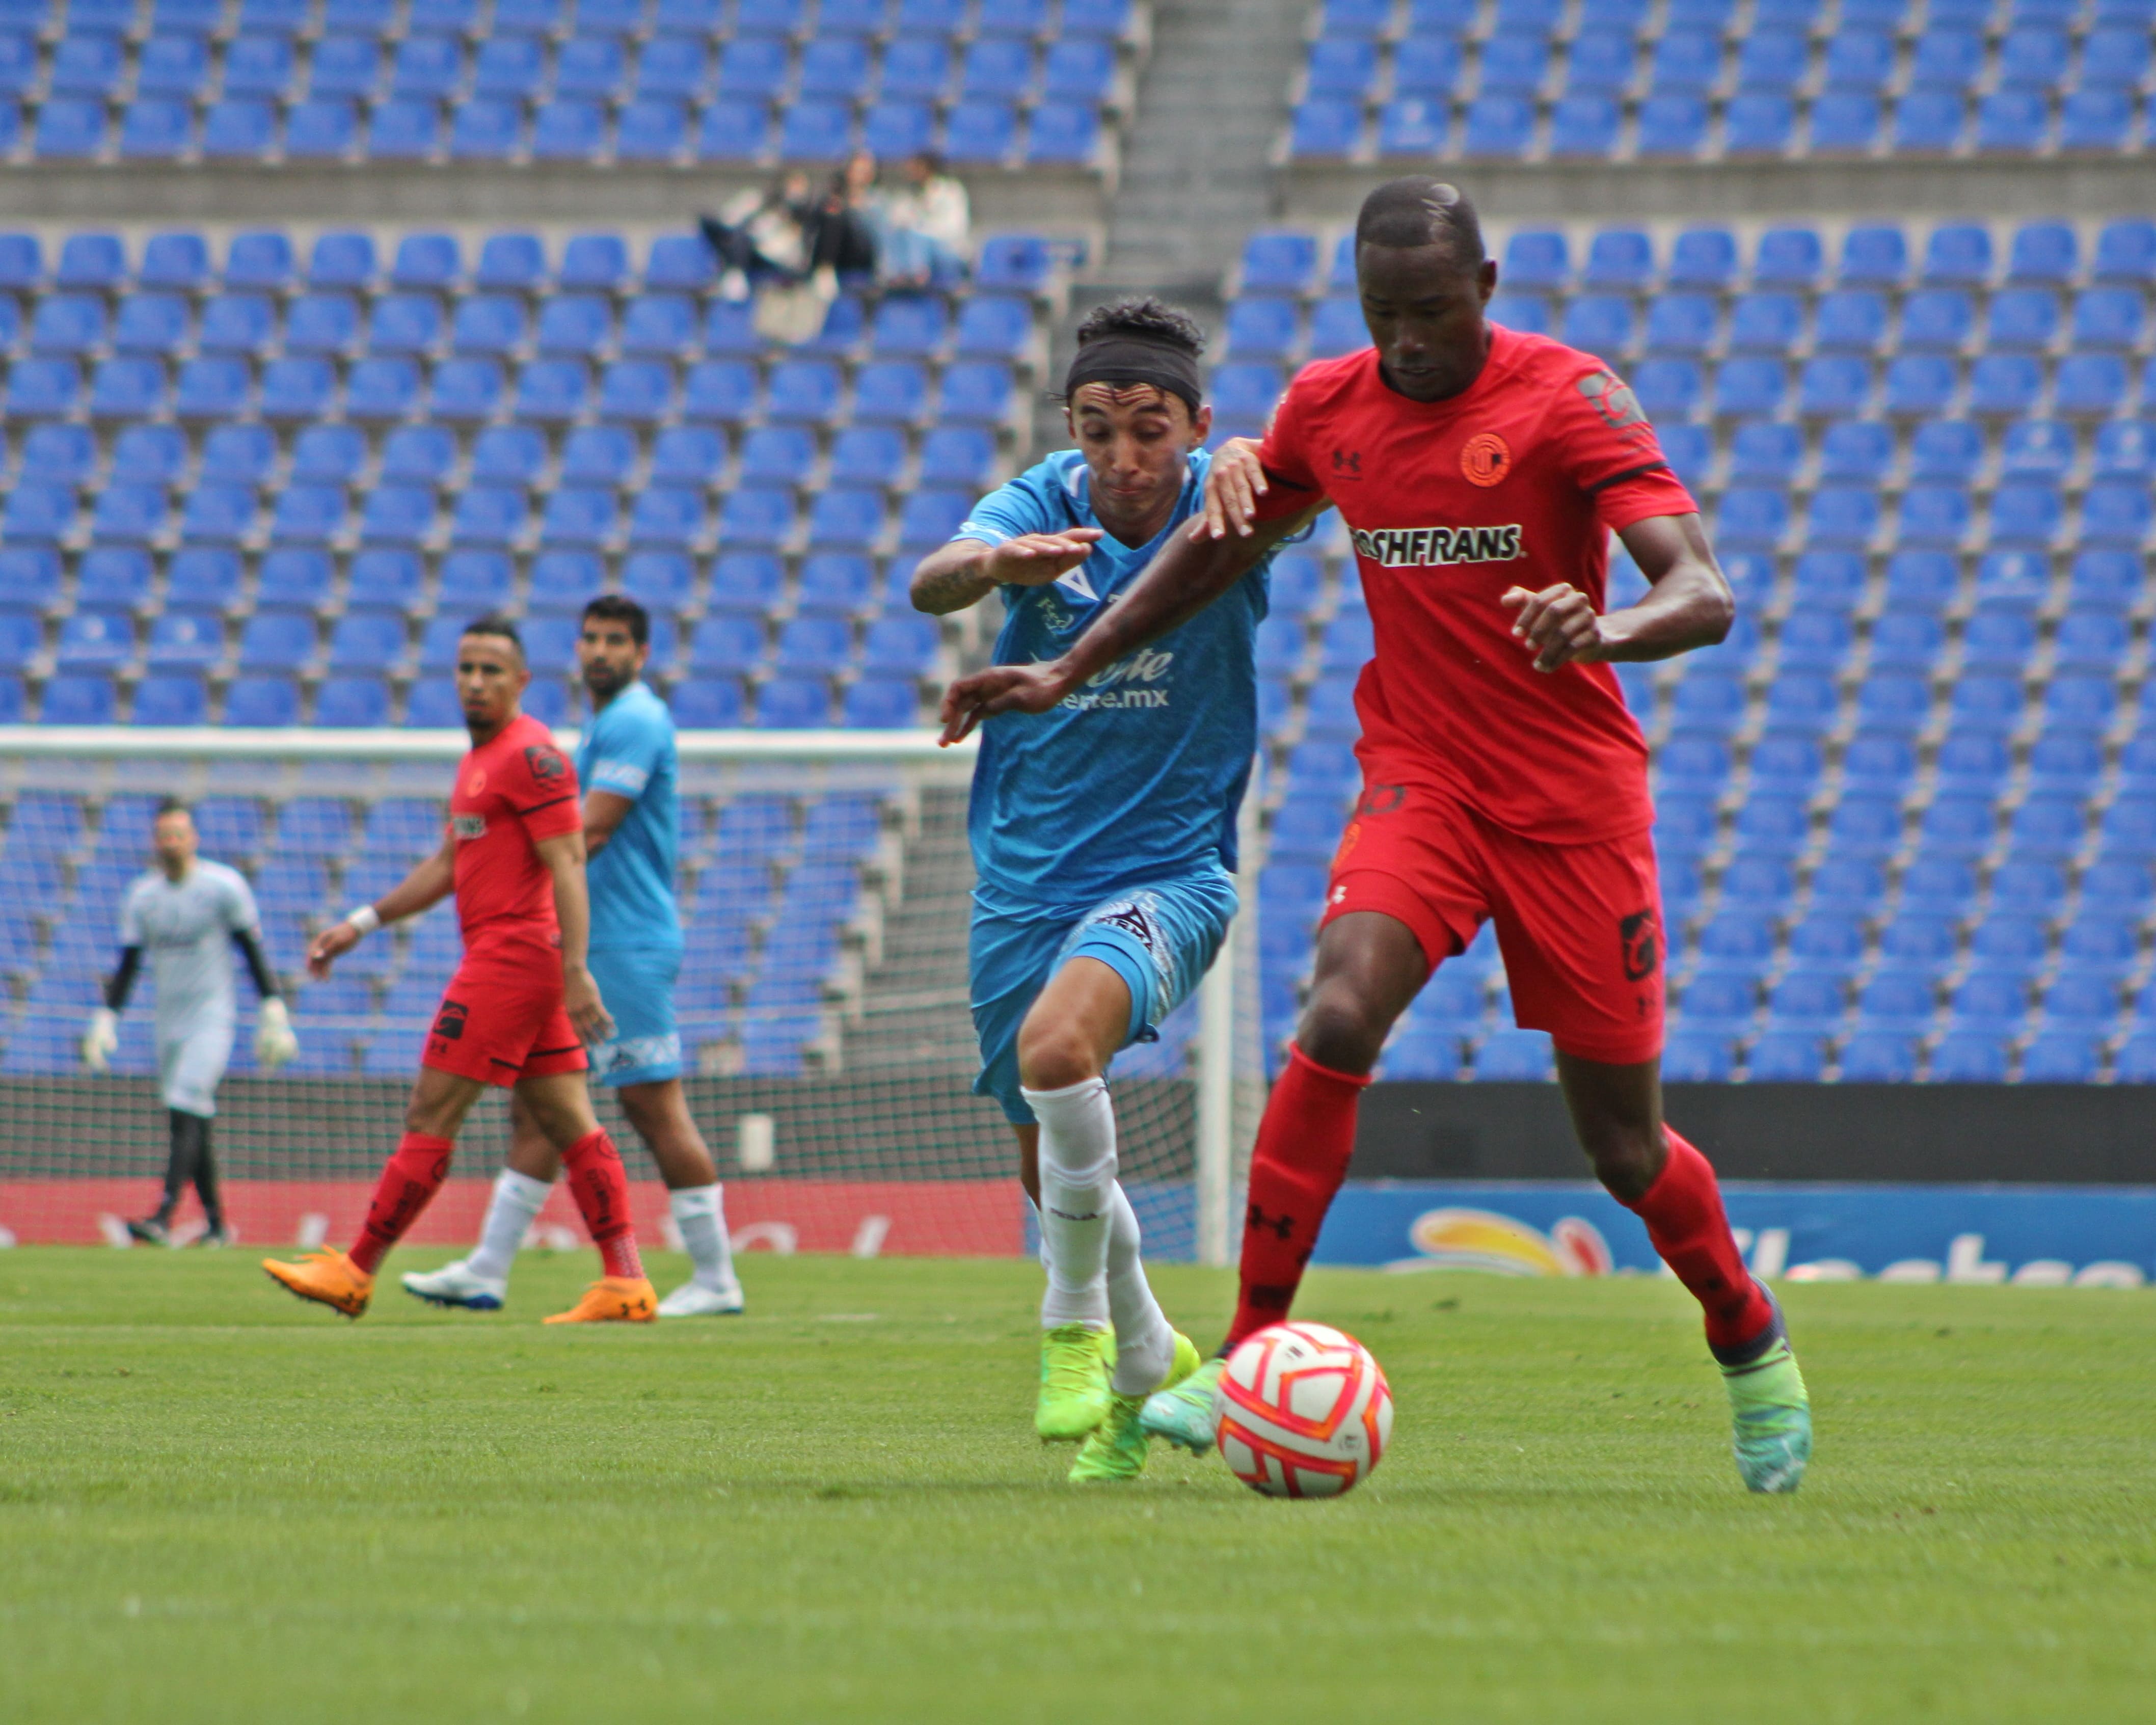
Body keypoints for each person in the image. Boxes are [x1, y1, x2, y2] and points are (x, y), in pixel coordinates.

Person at [940, 179, 1813, 1495]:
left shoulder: (1568, 398)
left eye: (1431, 311)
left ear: (1489, 288)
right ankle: (1244, 1356)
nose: (1405, 339)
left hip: (1574, 804)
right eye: (1381, 312)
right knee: (1340, 1010)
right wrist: (1070, 667)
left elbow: (1701, 589)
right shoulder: (1329, 407)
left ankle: (1748, 1334)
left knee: (1623, 1148)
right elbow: (1213, 555)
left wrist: (1606, 628)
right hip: (1423, 776)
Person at [912, 298, 1292, 1482]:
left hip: (1165, 871)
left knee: (1061, 1046)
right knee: (1047, 1156)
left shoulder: (1224, 497)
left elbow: (1309, 478)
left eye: (1150, 429)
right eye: (1097, 429)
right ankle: (1148, 1358)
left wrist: (1252, 463)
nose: (1123, 457)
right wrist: (990, 562)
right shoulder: (1044, 498)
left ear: (1195, 424)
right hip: (1023, 880)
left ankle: (1068, 1329)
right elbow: (933, 581)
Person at [263, 617, 655, 1326]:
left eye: (492, 671)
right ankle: (626, 1280)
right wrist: (361, 923)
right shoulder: (479, 760)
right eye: (466, 668)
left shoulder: (532, 755)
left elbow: (568, 861)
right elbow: (450, 863)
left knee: (431, 1113)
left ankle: (355, 1270)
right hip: (515, 960)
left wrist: (575, 969)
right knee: (572, 1123)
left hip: (512, 960)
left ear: (522, 681)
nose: (476, 682)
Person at [402, 596, 744, 1319]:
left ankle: (716, 1277)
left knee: (652, 1105)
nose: (598, 652)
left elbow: (586, 835)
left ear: (641, 653)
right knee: (540, 1112)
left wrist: (499, 866)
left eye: (615, 641)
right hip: (587, 942)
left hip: (623, 945)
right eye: (589, 639)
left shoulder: (636, 721)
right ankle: (488, 1269)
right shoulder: (599, 727)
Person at [83, 799, 298, 1247]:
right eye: (164, 836)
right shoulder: (143, 897)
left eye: (179, 835)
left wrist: (273, 1008)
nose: (171, 844)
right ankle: (218, 1225)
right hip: (168, 1020)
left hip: (212, 1016)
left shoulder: (223, 887)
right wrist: (107, 1018)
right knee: (190, 1116)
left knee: (186, 1102)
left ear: (193, 839)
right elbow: (128, 964)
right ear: (155, 842)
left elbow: (251, 949)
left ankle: (163, 1216)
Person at [873, 151, 969, 288]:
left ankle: (916, 276)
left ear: (927, 169)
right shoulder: (906, 195)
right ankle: (893, 276)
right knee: (892, 233)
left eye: (915, 167)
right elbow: (895, 222)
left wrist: (921, 228)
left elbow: (955, 230)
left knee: (916, 236)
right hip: (913, 250)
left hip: (948, 250)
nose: (909, 172)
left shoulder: (951, 192)